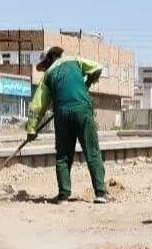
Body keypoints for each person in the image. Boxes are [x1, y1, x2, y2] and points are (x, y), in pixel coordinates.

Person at [25, 46, 109, 204]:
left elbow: (38, 105)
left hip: (62, 115)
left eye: (43, 67)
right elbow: (98, 68)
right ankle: (100, 193)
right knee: (92, 151)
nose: (44, 70)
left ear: (48, 61)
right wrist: (88, 82)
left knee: (63, 155)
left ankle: (63, 195)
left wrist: (32, 128)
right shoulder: (75, 61)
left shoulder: (49, 75)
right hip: (83, 111)